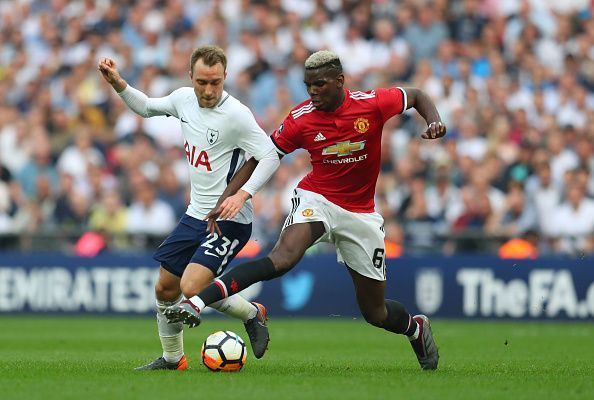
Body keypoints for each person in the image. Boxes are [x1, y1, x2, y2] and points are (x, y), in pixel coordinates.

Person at [164, 50, 446, 370]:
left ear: (340, 81)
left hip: (361, 214)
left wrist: (434, 119)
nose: (312, 92)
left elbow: (418, 95)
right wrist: (233, 195)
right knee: (282, 258)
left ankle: (415, 328)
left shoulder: (373, 103)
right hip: (317, 199)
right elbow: (260, 156)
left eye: (320, 85)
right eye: (308, 85)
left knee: (375, 312)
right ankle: (197, 302)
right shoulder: (301, 118)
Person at [98, 45, 280, 370]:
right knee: (165, 287)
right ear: (190, 77)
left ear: (225, 78)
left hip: (230, 219)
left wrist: (243, 195)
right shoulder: (182, 99)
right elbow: (146, 107)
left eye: (216, 82)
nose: (209, 90)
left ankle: (253, 313)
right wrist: (118, 83)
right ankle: (172, 359)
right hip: (195, 213)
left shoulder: (236, 115)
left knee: (191, 287)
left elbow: (268, 155)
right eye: (202, 82)